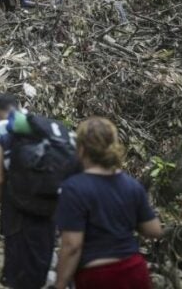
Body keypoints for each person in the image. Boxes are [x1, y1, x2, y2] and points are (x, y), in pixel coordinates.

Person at [53, 117, 162, 289]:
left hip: (98, 276)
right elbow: (154, 230)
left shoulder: (74, 188)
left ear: (81, 149)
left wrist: (59, 284)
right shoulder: (132, 185)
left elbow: (72, 245)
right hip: (135, 271)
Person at [0, 93, 55, 289]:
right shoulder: (41, 125)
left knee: (18, 272)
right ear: (19, 107)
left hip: (17, 212)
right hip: (49, 206)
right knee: (41, 265)